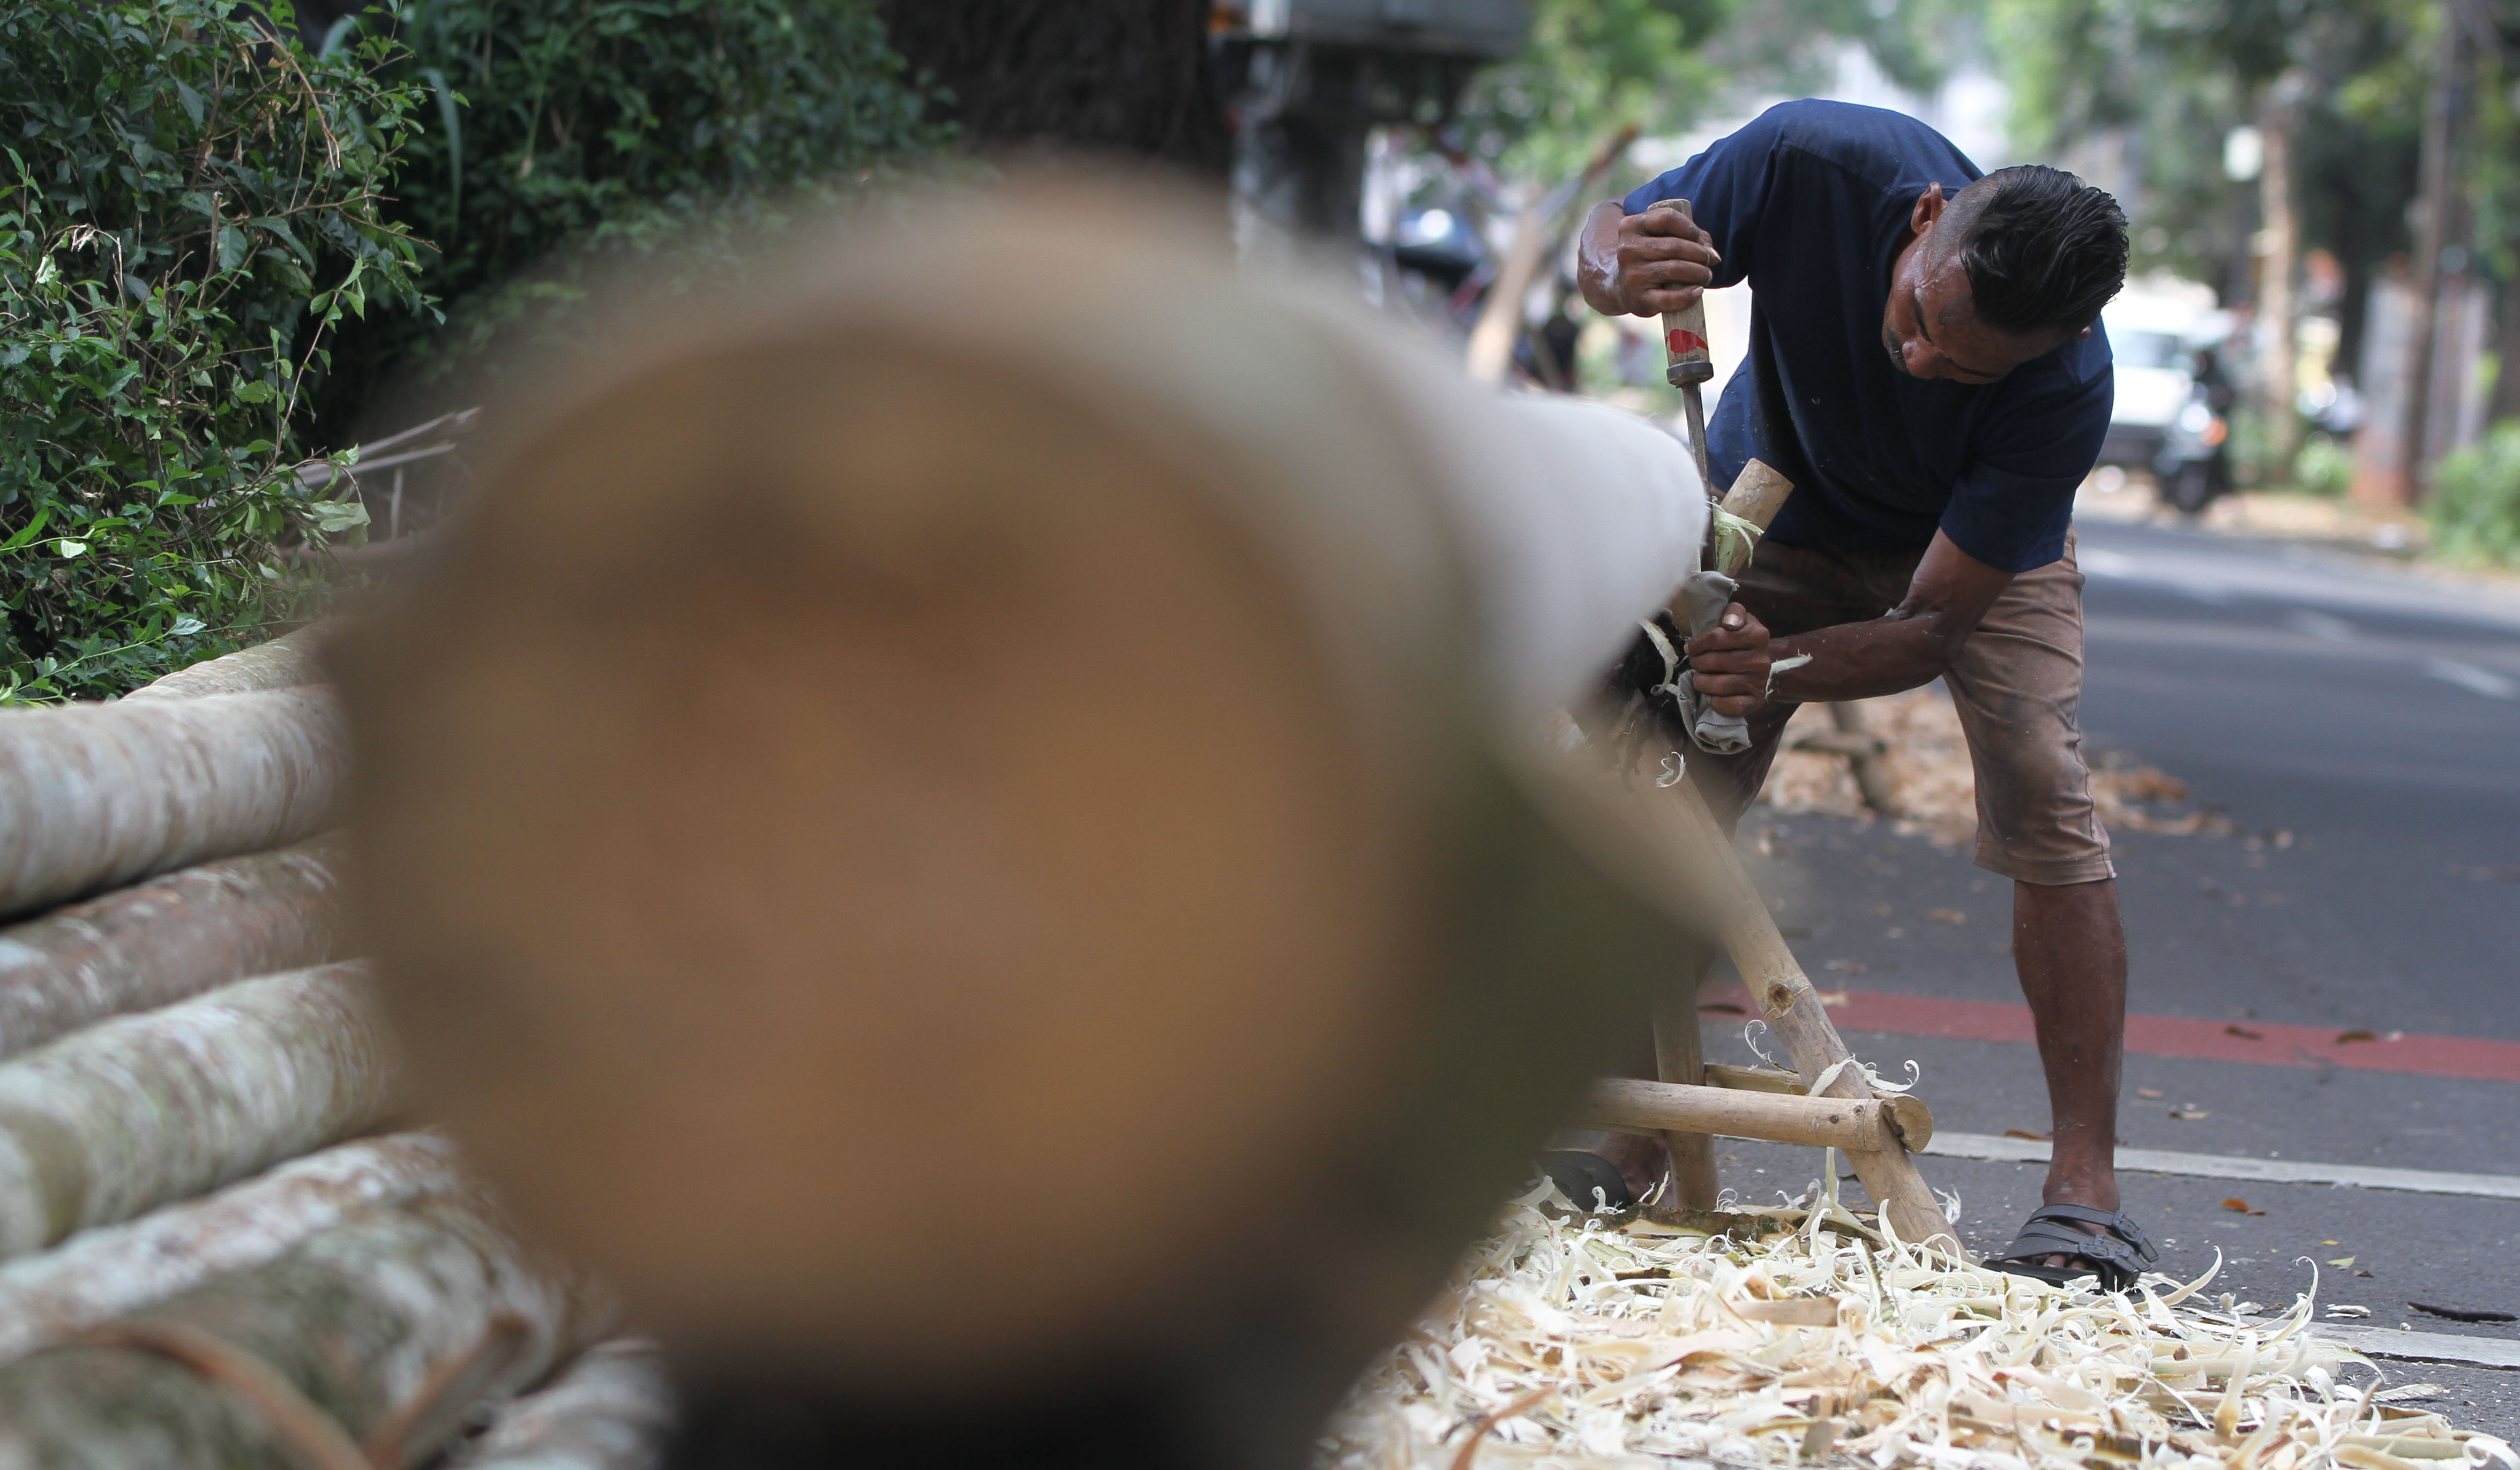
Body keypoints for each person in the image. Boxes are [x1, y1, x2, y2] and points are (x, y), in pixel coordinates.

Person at [1569, 100, 2153, 1290]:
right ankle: (1628, 1139)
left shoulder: (2064, 388)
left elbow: (1930, 627)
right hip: (1771, 502)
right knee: (1678, 779)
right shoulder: (1808, 162)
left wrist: (1779, 662)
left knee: (2042, 778)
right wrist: (1607, 268)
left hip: (1965, 558)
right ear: (1925, 220)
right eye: (1919, 320)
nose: (1924, 362)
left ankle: (2083, 1196)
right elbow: (1615, 228)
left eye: (1964, 367)